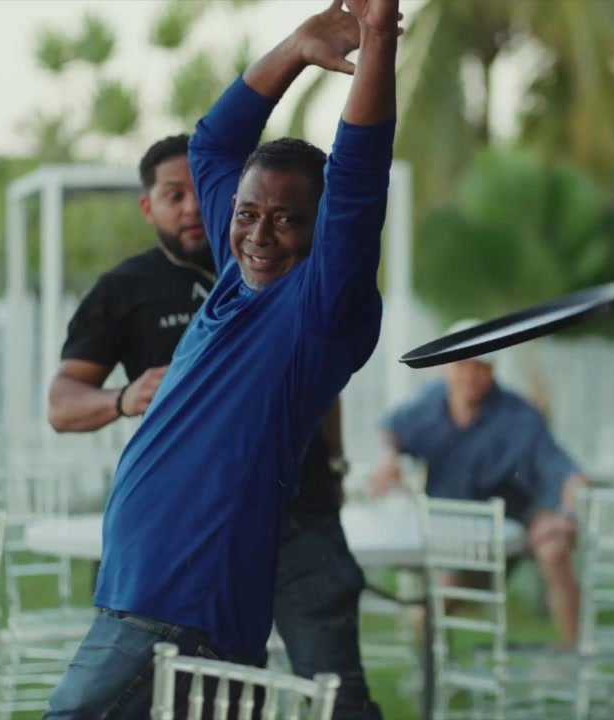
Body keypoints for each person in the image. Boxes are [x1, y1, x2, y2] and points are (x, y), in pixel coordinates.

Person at [44, 0, 400, 716]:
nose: (260, 234)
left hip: (179, 607)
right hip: (146, 599)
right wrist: (295, 49)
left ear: (321, 229)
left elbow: (360, 171)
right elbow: (212, 146)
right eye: (247, 213)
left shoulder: (319, 309)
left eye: (287, 219)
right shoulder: (238, 276)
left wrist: (379, 39)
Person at [368, 324, 589, 646]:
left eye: (480, 366)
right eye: (462, 365)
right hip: (454, 534)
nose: (470, 375)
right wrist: (389, 460)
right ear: (446, 369)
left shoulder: (519, 416)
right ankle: (437, 671)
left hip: (515, 524)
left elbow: (568, 473)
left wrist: (567, 514)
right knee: (426, 611)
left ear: (492, 370)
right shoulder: (428, 404)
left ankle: (574, 654)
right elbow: (390, 430)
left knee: (554, 550)